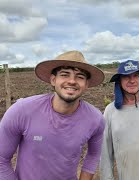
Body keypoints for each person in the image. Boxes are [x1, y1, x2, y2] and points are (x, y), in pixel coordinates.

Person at [0, 50, 106, 180]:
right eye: (65, 74)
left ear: (86, 85)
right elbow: (1, 159)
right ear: (53, 80)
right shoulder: (22, 110)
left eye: (80, 76)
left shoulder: (95, 119)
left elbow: (94, 154)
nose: (72, 81)